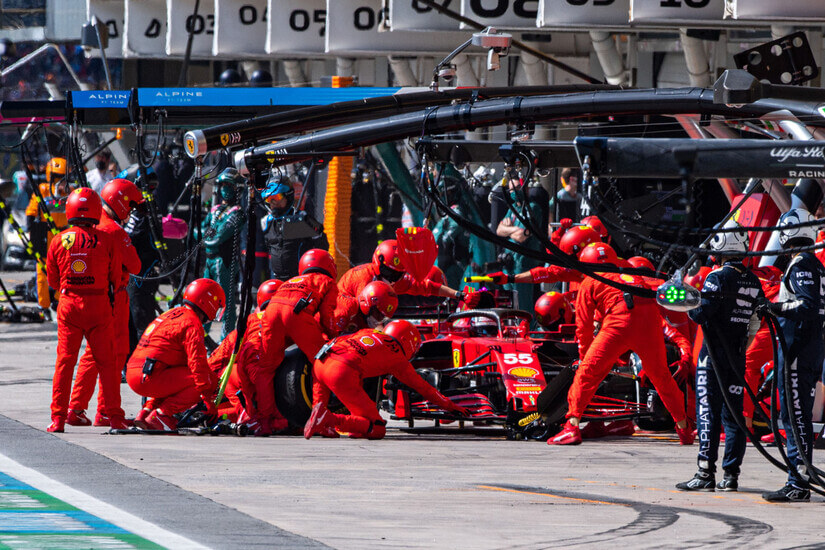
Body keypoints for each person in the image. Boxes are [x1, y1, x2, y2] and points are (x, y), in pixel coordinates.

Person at [547, 242, 692, 446]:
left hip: (619, 323)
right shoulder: (635, 277)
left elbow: (583, 327)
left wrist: (584, 357)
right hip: (650, 322)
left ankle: (571, 426)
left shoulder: (590, 280)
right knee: (662, 378)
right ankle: (684, 429)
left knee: (586, 373)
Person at [677, 220, 764, 492]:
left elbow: (701, 313)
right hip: (737, 357)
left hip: (712, 356)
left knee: (708, 412)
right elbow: (756, 321)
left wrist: (686, 298)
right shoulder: (753, 280)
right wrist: (741, 346)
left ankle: (705, 473)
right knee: (734, 416)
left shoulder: (717, 277)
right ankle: (731, 476)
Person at [45, 188, 127, 432]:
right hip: (98, 305)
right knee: (108, 363)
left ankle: (58, 419)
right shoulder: (106, 239)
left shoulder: (58, 240)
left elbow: (52, 280)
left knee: (65, 362)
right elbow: (116, 277)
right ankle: (114, 417)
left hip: (69, 305)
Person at [304, 320, 468, 439]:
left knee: (321, 407)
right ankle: (329, 419)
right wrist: (450, 406)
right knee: (377, 428)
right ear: (409, 344)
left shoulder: (368, 332)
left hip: (320, 362)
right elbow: (424, 388)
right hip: (341, 370)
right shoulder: (398, 358)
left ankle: (324, 424)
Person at [66, 179, 144, 427]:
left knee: (92, 353)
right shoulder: (115, 231)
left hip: (88, 296)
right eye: (131, 206)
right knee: (116, 352)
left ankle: (77, 408)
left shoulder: (92, 222)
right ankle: (105, 411)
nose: (131, 211)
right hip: (114, 297)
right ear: (120, 203)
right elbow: (136, 266)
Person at [760, 209, 825, 502]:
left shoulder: (802, 264)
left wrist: (774, 307)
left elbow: (808, 306)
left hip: (798, 350)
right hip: (804, 349)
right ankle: (798, 478)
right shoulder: (814, 264)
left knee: (795, 416)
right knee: (794, 415)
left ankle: (798, 483)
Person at [258, 249, 341, 431]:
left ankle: (264, 422)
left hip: (270, 313)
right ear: (330, 267)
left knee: (265, 369)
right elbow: (327, 316)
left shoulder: (290, 281)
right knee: (321, 362)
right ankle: (319, 418)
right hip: (296, 313)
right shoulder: (327, 282)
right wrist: (333, 338)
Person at [127, 278, 225, 431]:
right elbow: (198, 366)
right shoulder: (192, 323)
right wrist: (209, 401)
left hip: (136, 371)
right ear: (208, 303)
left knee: (175, 378)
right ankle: (162, 415)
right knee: (207, 380)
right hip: (148, 375)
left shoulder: (171, 313)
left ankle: (145, 413)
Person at [208, 279, 285, 434]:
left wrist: (205, 379)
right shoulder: (292, 316)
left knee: (228, 373)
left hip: (262, 382)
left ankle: (243, 416)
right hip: (286, 386)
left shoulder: (252, 320)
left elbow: (225, 352)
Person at [338, 240, 482, 312]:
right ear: (378, 263)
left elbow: (429, 287)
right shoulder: (363, 279)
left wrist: (459, 295)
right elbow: (366, 317)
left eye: (397, 275)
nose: (392, 279)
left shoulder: (399, 282)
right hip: (344, 314)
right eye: (389, 272)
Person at [203, 167, 246, 340]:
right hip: (209, 261)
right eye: (223, 185)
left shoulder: (237, 213)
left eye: (229, 186)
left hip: (224, 262)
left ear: (237, 189)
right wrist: (207, 236)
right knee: (204, 299)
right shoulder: (216, 210)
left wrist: (206, 236)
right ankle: (202, 337)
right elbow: (199, 231)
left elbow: (217, 238)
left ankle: (226, 341)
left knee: (225, 303)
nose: (225, 189)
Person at [261, 172, 329, 281]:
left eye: (277, 197)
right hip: (277, 280)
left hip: (299, 279)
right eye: (269, 199)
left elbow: (322, 243)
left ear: (287, 196)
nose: (273, 203)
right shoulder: (267, 222)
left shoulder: (301, 218)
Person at [27, 157, 70, 310]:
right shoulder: (42, 190)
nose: (58, 181)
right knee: (42, 272)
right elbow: (31, 212)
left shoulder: (69, 191)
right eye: (55, 177)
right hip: (44, 234)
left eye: (61, 177)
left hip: (63, 234)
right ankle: (43, 305)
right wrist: (32, 233)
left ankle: (59, 300)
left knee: (64, 269)